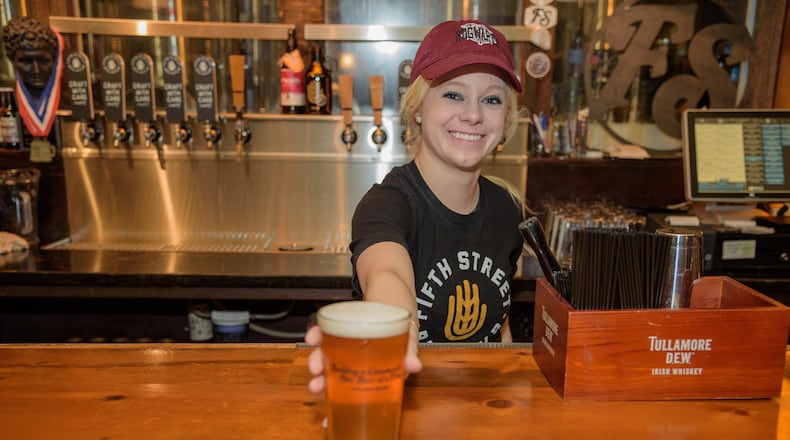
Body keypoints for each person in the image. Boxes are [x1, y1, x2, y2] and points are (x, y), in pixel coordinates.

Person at [307, 19, 527, 393]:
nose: (473, 114)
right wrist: (395, 333)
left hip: (483, 411)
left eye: (491, 99)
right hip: (408, 403)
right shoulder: (387, 204)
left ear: (505, 119)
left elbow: (498, 325)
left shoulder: (507, 208)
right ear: (419, 107)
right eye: (453, 94)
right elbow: (387, 277)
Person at [2, 16, 60, 107]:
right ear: (12, 60)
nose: (36, 70)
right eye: (26, 62)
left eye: (43, 61)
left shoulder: (68, 97)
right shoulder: (7, 99)